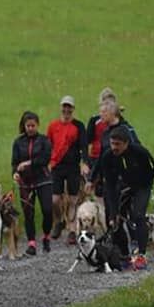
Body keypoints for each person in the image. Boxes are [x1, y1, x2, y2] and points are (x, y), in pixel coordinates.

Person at [86, 126, 154, 271]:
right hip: (122, 186)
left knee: (138, 215)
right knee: (114, 221)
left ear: (126, 143)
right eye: (112, 143)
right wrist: (114, 213)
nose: (114, 147)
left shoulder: (140, 152)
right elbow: (110, 187)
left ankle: (141, 255)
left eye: (118, 144)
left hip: (142, 185)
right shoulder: (108, 156)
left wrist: (138, 184)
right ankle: (124, 255)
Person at [12, 111, 54, 256]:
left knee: (47, 210)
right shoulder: (18, 142)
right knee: (28, 213)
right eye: (28, 126)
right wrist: (15, 173)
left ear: (37, 125)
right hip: (26, 182)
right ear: (24, 126)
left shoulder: (44, 140)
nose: (30, 128)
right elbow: (15, 162)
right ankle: (31, 243)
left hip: (43, 179)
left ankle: (46, 236)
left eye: (33, 125)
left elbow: (45, 158)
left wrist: (29, 163)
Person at [46, 96, 87, 244]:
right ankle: (59, 221)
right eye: (64, 106)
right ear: (61, 107)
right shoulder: (53, 126)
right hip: (57, 166)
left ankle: (71, 229)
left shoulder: (79, 126)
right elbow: (47, 145)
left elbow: (83, 146)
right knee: (55, 200)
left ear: (73, 109)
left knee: (72, 199)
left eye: (69, 107)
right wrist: (48, 162)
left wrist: (84, 163)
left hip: (72, 166)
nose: (67, 110)